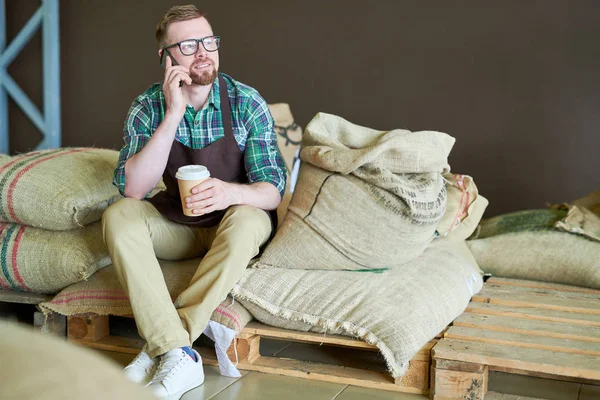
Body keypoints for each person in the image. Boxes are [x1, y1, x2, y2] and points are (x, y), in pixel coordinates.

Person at [102, 4, 286, 399]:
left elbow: (272, 189)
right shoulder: (147, 106)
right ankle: (177, 351)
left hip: (232, 223)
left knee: (252, 220)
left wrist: (229, 191)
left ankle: (167, 347)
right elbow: (133, 188)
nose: (202, 51)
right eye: (186, 45)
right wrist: (173, 113)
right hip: (177, 225)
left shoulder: (246, 102)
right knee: (118, 216)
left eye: (208, 41)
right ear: (166, 57)